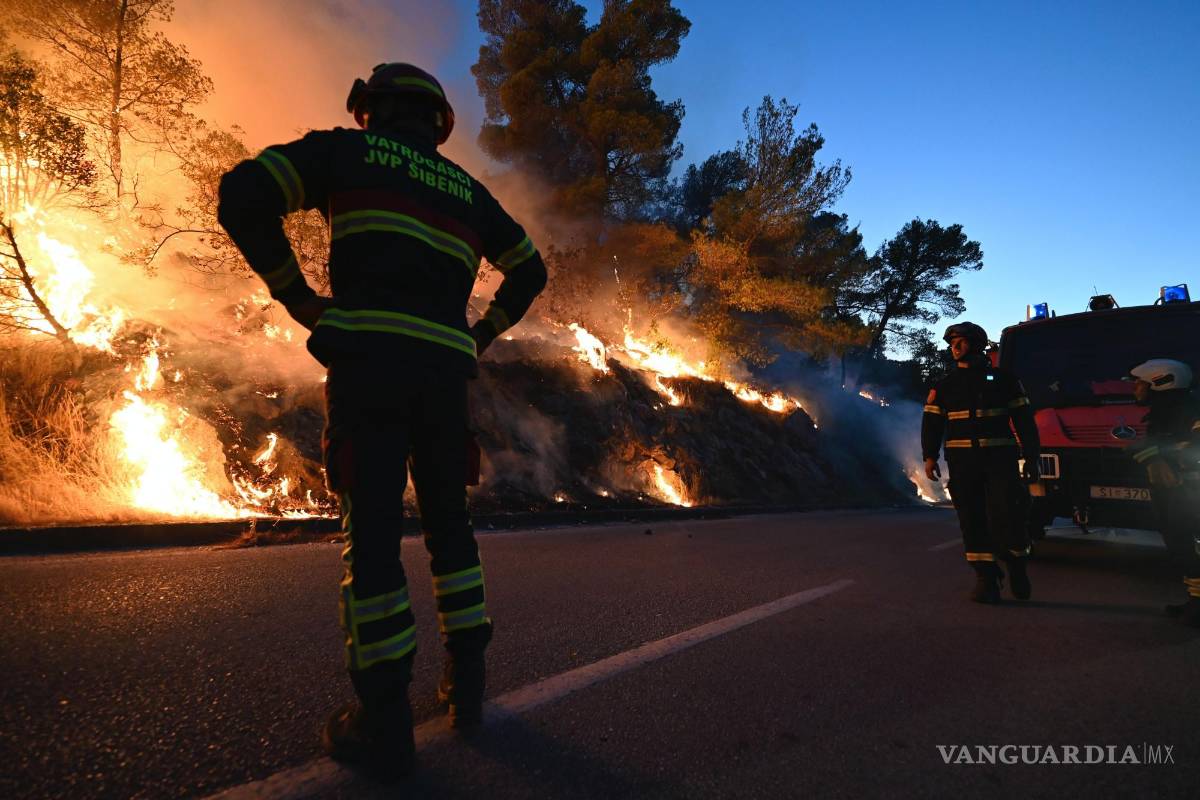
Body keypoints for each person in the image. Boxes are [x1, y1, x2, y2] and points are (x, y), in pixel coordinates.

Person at [217, 62, 548, 779]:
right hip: (442, 382)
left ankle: (385, 721)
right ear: (436, 123)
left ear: (374, 110)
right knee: (450, 531)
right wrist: (478, 334)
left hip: (368, 369)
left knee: (372, 538)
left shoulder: (345, 151)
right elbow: (530, 269)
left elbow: (243, 193)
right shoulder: (468, 191)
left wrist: (302, 302)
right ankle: (469, 688)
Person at [922, 322, 1041, 603]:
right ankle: (986, 578)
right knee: (971, 521)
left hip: (1000, 463)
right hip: (963, 465)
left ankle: (1016, 567)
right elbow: (932, 424)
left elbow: (1025, 423)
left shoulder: (1005, 381)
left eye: (960, 342)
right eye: (952, 343)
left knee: (1008, 516)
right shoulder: (944, 386)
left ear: (976, 344)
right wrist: (929, 456)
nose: (954, 347)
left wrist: (1033, 457)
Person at [1128, 359, 1200, 626]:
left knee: (1189, 541)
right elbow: (1151, 446)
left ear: (1161, 382)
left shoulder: (1189, 409)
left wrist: (1159, 453)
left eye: (1140, 383)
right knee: (1180, 542)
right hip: (1176, 490)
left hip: (1191, 487)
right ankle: (1196, 600)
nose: (1135, 389)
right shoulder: (1163, 412)